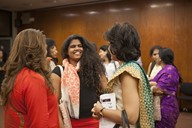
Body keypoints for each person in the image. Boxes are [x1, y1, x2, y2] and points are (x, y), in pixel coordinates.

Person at [92, 22, 155, 128]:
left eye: (111, 44)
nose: (108, 49)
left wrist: (101, 110)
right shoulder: (131, 67)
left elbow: (130, 117)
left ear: (119, 46)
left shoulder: (127, 72)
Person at [0, 29, 59, 127]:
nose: (46, 50)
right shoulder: (33, 79)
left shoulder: (15, 75)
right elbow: (39, 123)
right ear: (37, 49)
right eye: (44, 46)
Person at [51, 34, 107, 128]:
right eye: (73, 46)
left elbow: (106, 89)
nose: (77, 49)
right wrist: (60, 125)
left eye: (80, 46)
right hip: (70, 123)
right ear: (67, 51)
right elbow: (54, 103)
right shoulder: (59, 71)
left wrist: (97, 67)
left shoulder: (92, 69)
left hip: (95, 121)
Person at [150, 48, 181, 128]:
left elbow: (159, 90)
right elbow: (158, 83)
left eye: (157, 55)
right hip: (164, 105)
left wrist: (149, 86)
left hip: (166, 107)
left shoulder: (169, 70)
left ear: (160, 58)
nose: (156, 57)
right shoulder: (167, 69)